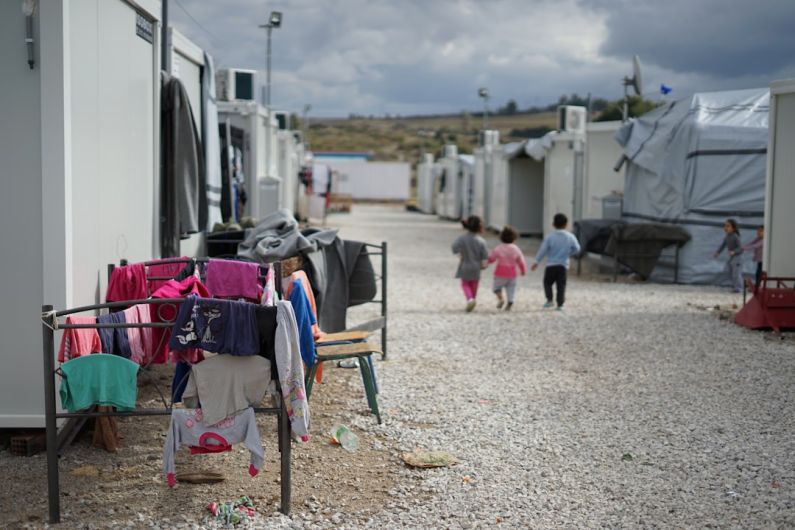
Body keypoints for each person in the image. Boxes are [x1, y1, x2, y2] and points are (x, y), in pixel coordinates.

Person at [531, 213, 581, 311]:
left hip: (551, 265)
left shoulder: (550, 237)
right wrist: (569, 253)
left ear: (553, 224)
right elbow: (577, 248)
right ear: (566, 224)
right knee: (561, 285)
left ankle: (549, 300)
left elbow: (543, 250)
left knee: (547, 282)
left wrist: (536, 261)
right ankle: (560, 305)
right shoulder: (570, 236)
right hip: (563, 265)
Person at [452, 215, 489, 312]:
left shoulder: (461, 238)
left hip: (465, 264)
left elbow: (454, 247)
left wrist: (459, 254)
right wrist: (484, 263)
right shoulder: (481, 241)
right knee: (474, 284)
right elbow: (485, 254)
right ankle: (473, 299)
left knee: (465, 284)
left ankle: (470, 299)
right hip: (476, 266)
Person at [487, 225, 526, 311]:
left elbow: (492, 258)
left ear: (501, 238)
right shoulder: (516, 249)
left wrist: (487, 262)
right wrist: (523, 270)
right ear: (514, 238)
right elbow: (521, 261)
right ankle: (510, 301)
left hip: (500, 273)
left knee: (496, 288)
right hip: (512, 274)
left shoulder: (498, 248)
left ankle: (501, 298)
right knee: (511, 288)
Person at [714, 218, 744, 293]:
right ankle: (735, 286)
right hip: (732, 257)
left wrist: (734, 251)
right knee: (730, 271)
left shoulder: (735, 236)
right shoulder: (727, 236)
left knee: (736, 273)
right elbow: (723, 245)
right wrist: (718, 252)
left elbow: (741, 248)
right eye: (725, 226)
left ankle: (739, 288)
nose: (725, 228)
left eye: (728, 226)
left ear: (733, 228)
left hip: (737, 257)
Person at [741, 225, 764, 289]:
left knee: (759, 273)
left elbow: (755, 246)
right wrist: (743, 246)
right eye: (758, 231)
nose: (758, 232)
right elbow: (752, 243)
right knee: (758, 273)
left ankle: (757, 286)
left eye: (761, 231)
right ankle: (757, 286)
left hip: (763, 260)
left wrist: (745, 248)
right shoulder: (758, 238)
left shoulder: (764, 240)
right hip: (759, 259)